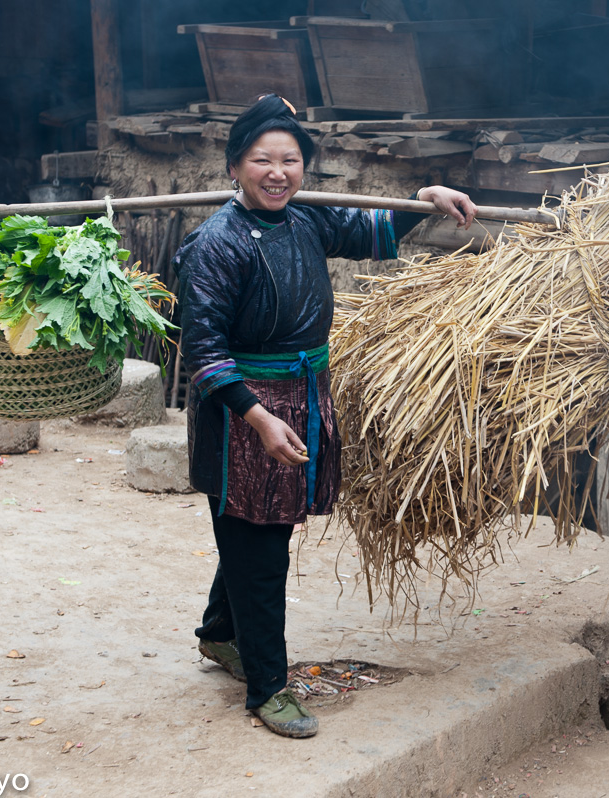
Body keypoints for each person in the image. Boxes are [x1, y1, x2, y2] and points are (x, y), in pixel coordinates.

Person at [174, 93, 476, 738]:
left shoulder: (306, 219)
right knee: (260, 546)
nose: (277, 172)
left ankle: (220, 634)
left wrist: (426, 199)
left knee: (261, 530)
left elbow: (370, 233)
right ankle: (268, 688)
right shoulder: (216, 244)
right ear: (234, 166)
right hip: (244, 414)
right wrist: (257, 418)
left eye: (290, 160)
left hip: (304, 398)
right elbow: (202, 351)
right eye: (262, 160)